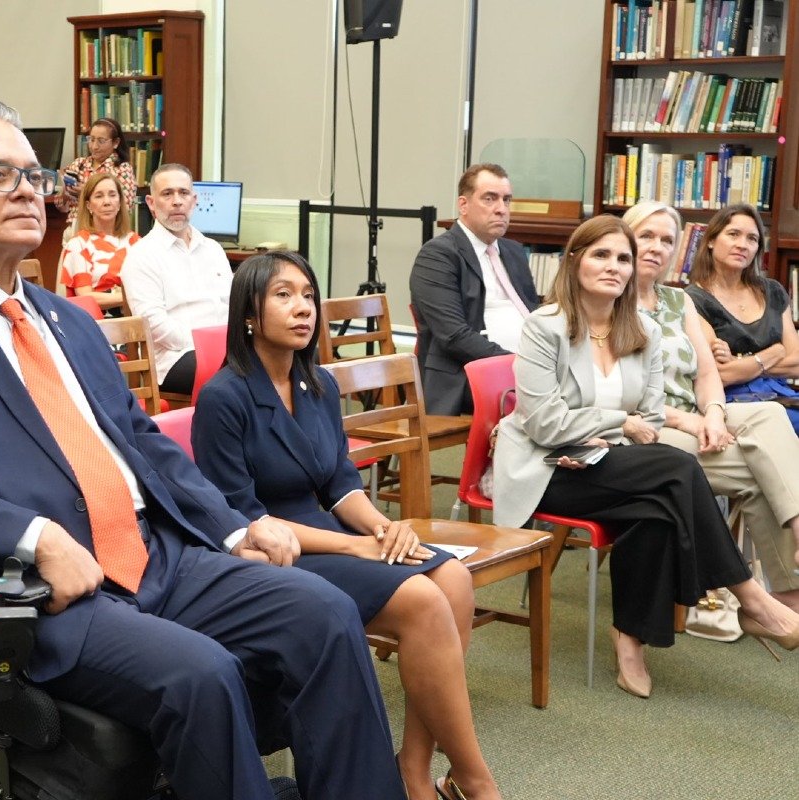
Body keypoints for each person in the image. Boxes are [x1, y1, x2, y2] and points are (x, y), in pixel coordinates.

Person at [0, 100, 408, 800]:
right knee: (203, 675)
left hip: (159, 555)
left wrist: (235, 525)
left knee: (322, 613)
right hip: (46, 594)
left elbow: (142, 443)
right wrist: (34, 535)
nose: (27, 189)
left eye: (33, 174)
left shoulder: (70, 323)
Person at [193, 251, 501, 800]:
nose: (302, 308)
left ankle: (415, 764)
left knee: (454, 579)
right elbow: (241, 516)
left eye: (309, 295)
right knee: (425, 602)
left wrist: (383, 529)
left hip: (330, 536)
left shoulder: (318, 384)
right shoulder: (223, 398)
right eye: (283, 295)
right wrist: (357, 547)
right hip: (273, 554)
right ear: (248, 314)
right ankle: (476, 781)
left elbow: (338, 481)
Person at [492, 215, 799, 698]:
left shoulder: (642, 332)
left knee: (658, 510)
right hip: (549, 467)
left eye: (623, 258)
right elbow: (543, 424)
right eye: (601, 255)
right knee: (676, 468)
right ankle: (751, 597)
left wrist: (616, 430)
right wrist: (616, 423)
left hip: (613, 461)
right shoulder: (544, 326)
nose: (614, 266)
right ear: (574, 261)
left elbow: (652, 419)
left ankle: (629, 640)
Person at [626, 200, 799, 603]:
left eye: (666, 240)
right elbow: (623, 394)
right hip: (648, 426)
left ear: (677, 250)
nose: (656, 247)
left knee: (770, 416)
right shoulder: (612, 302)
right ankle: (784, 596)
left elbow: (706, 375)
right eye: (646, 236)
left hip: (696, 410)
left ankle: (788, 561)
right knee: (763, 472)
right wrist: (692, 421)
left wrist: (716, 415)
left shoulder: (676, 300)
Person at [409, 163, 539, 415]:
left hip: (525, 367)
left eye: (506, 200)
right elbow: (454, 336)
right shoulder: (438, 255)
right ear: (463, 204)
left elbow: (532, 311)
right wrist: (517, 364)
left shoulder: (513, 251)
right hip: (466, 373)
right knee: (543, 407)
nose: (501, 209)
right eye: (490, 199)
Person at [684, 204, 799, 435]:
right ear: (711, 240)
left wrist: (746, 363)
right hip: (732, 400)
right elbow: (720, 375)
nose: (742, 245)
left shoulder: (772, 290)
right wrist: (772, 353)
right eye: (733, 234)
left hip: (782, 394)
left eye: (752, 239)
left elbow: (796, 363)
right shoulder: (694, 298)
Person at [122, 163, 232, 394]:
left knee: (293, 355)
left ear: (194, 199)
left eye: (183, 193)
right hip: (176, 357)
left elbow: (233, 305)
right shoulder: (141, 255)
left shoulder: (213, 249)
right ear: (151, 203)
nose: (177, 201)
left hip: (225, 349)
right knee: (238, 374)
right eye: (167, 193)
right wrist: (205, 346)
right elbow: (152, 323)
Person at [59, 172, 139, 312]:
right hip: (98, 324)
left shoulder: (136, 242)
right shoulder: (78, 244)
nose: (107, 202)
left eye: (112, 195)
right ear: (89, 205)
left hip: (138, 321)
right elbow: (85, 298)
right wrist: (129, 297)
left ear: (120, 203)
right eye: (99, 196)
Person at [54, 117, 137, 233]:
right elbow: (64, 209)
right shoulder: (79, 164)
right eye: (91, 139)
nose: (94, 146)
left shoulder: (122, 170)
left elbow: (125, 206)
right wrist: (64, 195)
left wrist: (87, 192)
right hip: (76, 229)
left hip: (108, 231)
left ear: (116, 143)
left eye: (101, 141)